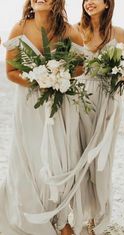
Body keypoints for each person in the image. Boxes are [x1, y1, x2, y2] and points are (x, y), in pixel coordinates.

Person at [0, 0, 84, 234]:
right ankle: (30, 212)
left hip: (58, 105)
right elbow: (11, 72)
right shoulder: (20, 29)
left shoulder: (69, 31)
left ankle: (58, 215)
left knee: (57, 156)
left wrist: (59, 76)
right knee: (30, 154)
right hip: (28, 104)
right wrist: (39, 80)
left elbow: (81, 67)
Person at [72, 0, 124, 234]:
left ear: (107, 4)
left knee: (102, 161)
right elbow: (69, 67)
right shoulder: (74, 30)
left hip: (107, 99)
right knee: (79, 156)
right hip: (79, 98)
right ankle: (82, 213)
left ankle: (101, 216)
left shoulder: (119, 33)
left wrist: (123, 75)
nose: (89, 3)